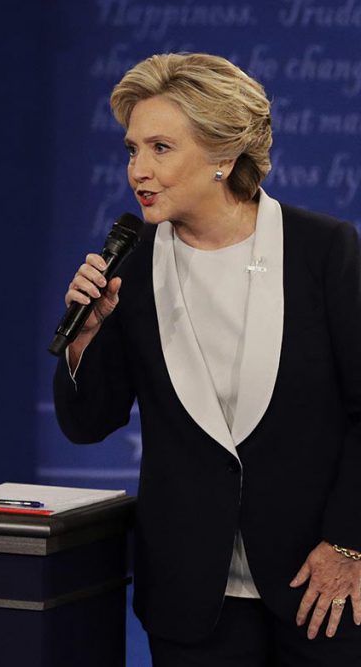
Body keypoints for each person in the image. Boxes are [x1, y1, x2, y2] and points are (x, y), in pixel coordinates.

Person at [54, 52, 361, 665]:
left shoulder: (323, 250)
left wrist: (350, 545)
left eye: (160, 148)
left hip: (318, 582)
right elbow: (89, 425)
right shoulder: (130, 263)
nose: (137, 169)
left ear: (224, 155)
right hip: (191, 593)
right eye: (131, 149)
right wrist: (85, 339)